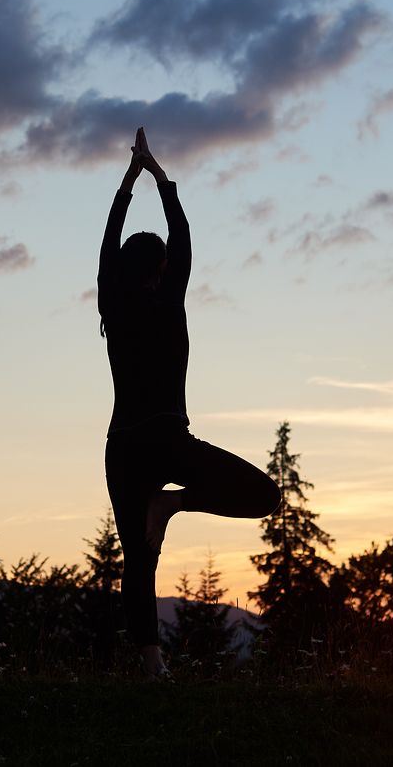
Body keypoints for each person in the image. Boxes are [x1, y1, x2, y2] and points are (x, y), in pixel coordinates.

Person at [98, 126, 279, 677]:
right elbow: (182, 236)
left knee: (139, 559)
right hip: (166, 439)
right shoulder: (168, 300)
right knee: (264, 494)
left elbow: (108, 243)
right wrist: (157, 177)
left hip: (123, 446)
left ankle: (154, 669)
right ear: (160, 271)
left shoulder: (113, 302)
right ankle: (174, 504)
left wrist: (128, 184)